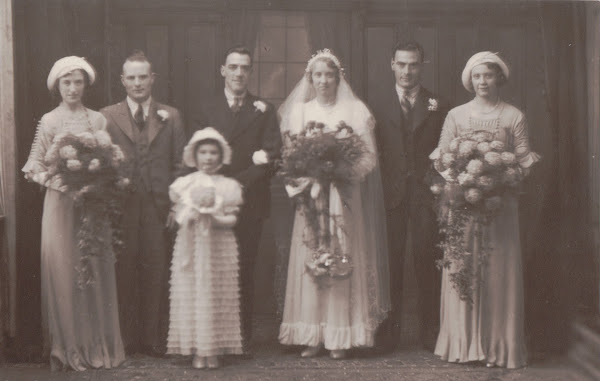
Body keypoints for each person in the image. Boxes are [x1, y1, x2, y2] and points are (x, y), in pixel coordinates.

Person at [277, 49, 390, 359]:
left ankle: (340, 336)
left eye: (329, 74)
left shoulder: (355, 111)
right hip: (312, 199)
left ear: (338, 77)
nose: (323, 80)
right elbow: (290, 158)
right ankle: (312, 335)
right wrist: (311, 174)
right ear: (310, 79)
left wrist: (340, 172)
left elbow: (369, 158)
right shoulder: (299, 113)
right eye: (318, 75)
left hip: (345, 198)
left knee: (341, 254)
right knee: (313, 254)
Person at [431, 51, 540, 369]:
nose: (483, 82)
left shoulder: (513, 116)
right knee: (464, 268)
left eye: (488, 76)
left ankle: (497, 346)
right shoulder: (455, 115)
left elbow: (523, 160)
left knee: (497, 271)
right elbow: (441, 159)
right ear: (470, 81)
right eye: (477, 76)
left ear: (499, 79)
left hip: (499, 207)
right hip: (463, 205)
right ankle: (464, 345)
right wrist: (462, 180)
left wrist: (501, 177)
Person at [22, 56, 125, 370]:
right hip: (61, 207)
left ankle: (98, 345)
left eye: (78, 82)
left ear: (86, 85)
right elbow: (32, 167)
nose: (72, 88)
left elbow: (110, 161)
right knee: (65, 273)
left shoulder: (97, 120)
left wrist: (97, 181)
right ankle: (67, 347)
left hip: (91, 207)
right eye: (66, 82)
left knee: (94, 271)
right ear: (58, 86)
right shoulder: (49, 121)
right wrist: (64, 184)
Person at [190, 45, 282, 346]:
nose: (239, 73)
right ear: (223, 71)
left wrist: (237, 184)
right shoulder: (204, 108)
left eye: (244, 68)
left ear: (250, 72)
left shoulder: (264, 110)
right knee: (213, 269)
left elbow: (271, 155)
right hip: (210, 202)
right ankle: (212, 337)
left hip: (248, 201)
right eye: (233, 67)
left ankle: (240, 338)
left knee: (243, 269)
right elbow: (193, 153)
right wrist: (216, 186)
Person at [101, 50, 187, 356]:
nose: (138, 83)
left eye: (143, 77)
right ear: (123, 81)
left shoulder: (171, 115)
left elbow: (180, 164)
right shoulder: (107, 116)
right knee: (124, 270)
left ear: (152, 79)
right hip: (122, 206)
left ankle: (152, 338)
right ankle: (126, 339)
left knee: (155, 269)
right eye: (132, 78)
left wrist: (175, 206)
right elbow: (102, 164)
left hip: (157, 206)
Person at [373, 41, 448, 351]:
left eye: (413, 64)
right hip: (389, 194)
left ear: (422, 65)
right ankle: (390, 335)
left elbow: (445, 151)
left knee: (426, 262)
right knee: (390, 265)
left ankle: (431, 334)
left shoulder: (437, 104)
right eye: (401, 64)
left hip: (424, 194)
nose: (407, 71)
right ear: (392, 64)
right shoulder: (376, 103)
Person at [167, 128, 243, 369]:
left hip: (219, 246)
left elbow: (233, 220)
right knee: (193, 293)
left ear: (221, 157)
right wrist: (192, 214)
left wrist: (214, 218)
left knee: (218, 293)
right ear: (194, 156)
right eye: (203, 152)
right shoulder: (184, 184)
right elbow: (179, 217)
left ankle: (214, 349)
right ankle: (198, 349)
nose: (208, 158)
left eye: (213, 153)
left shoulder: (229, 186)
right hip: (193, 246)